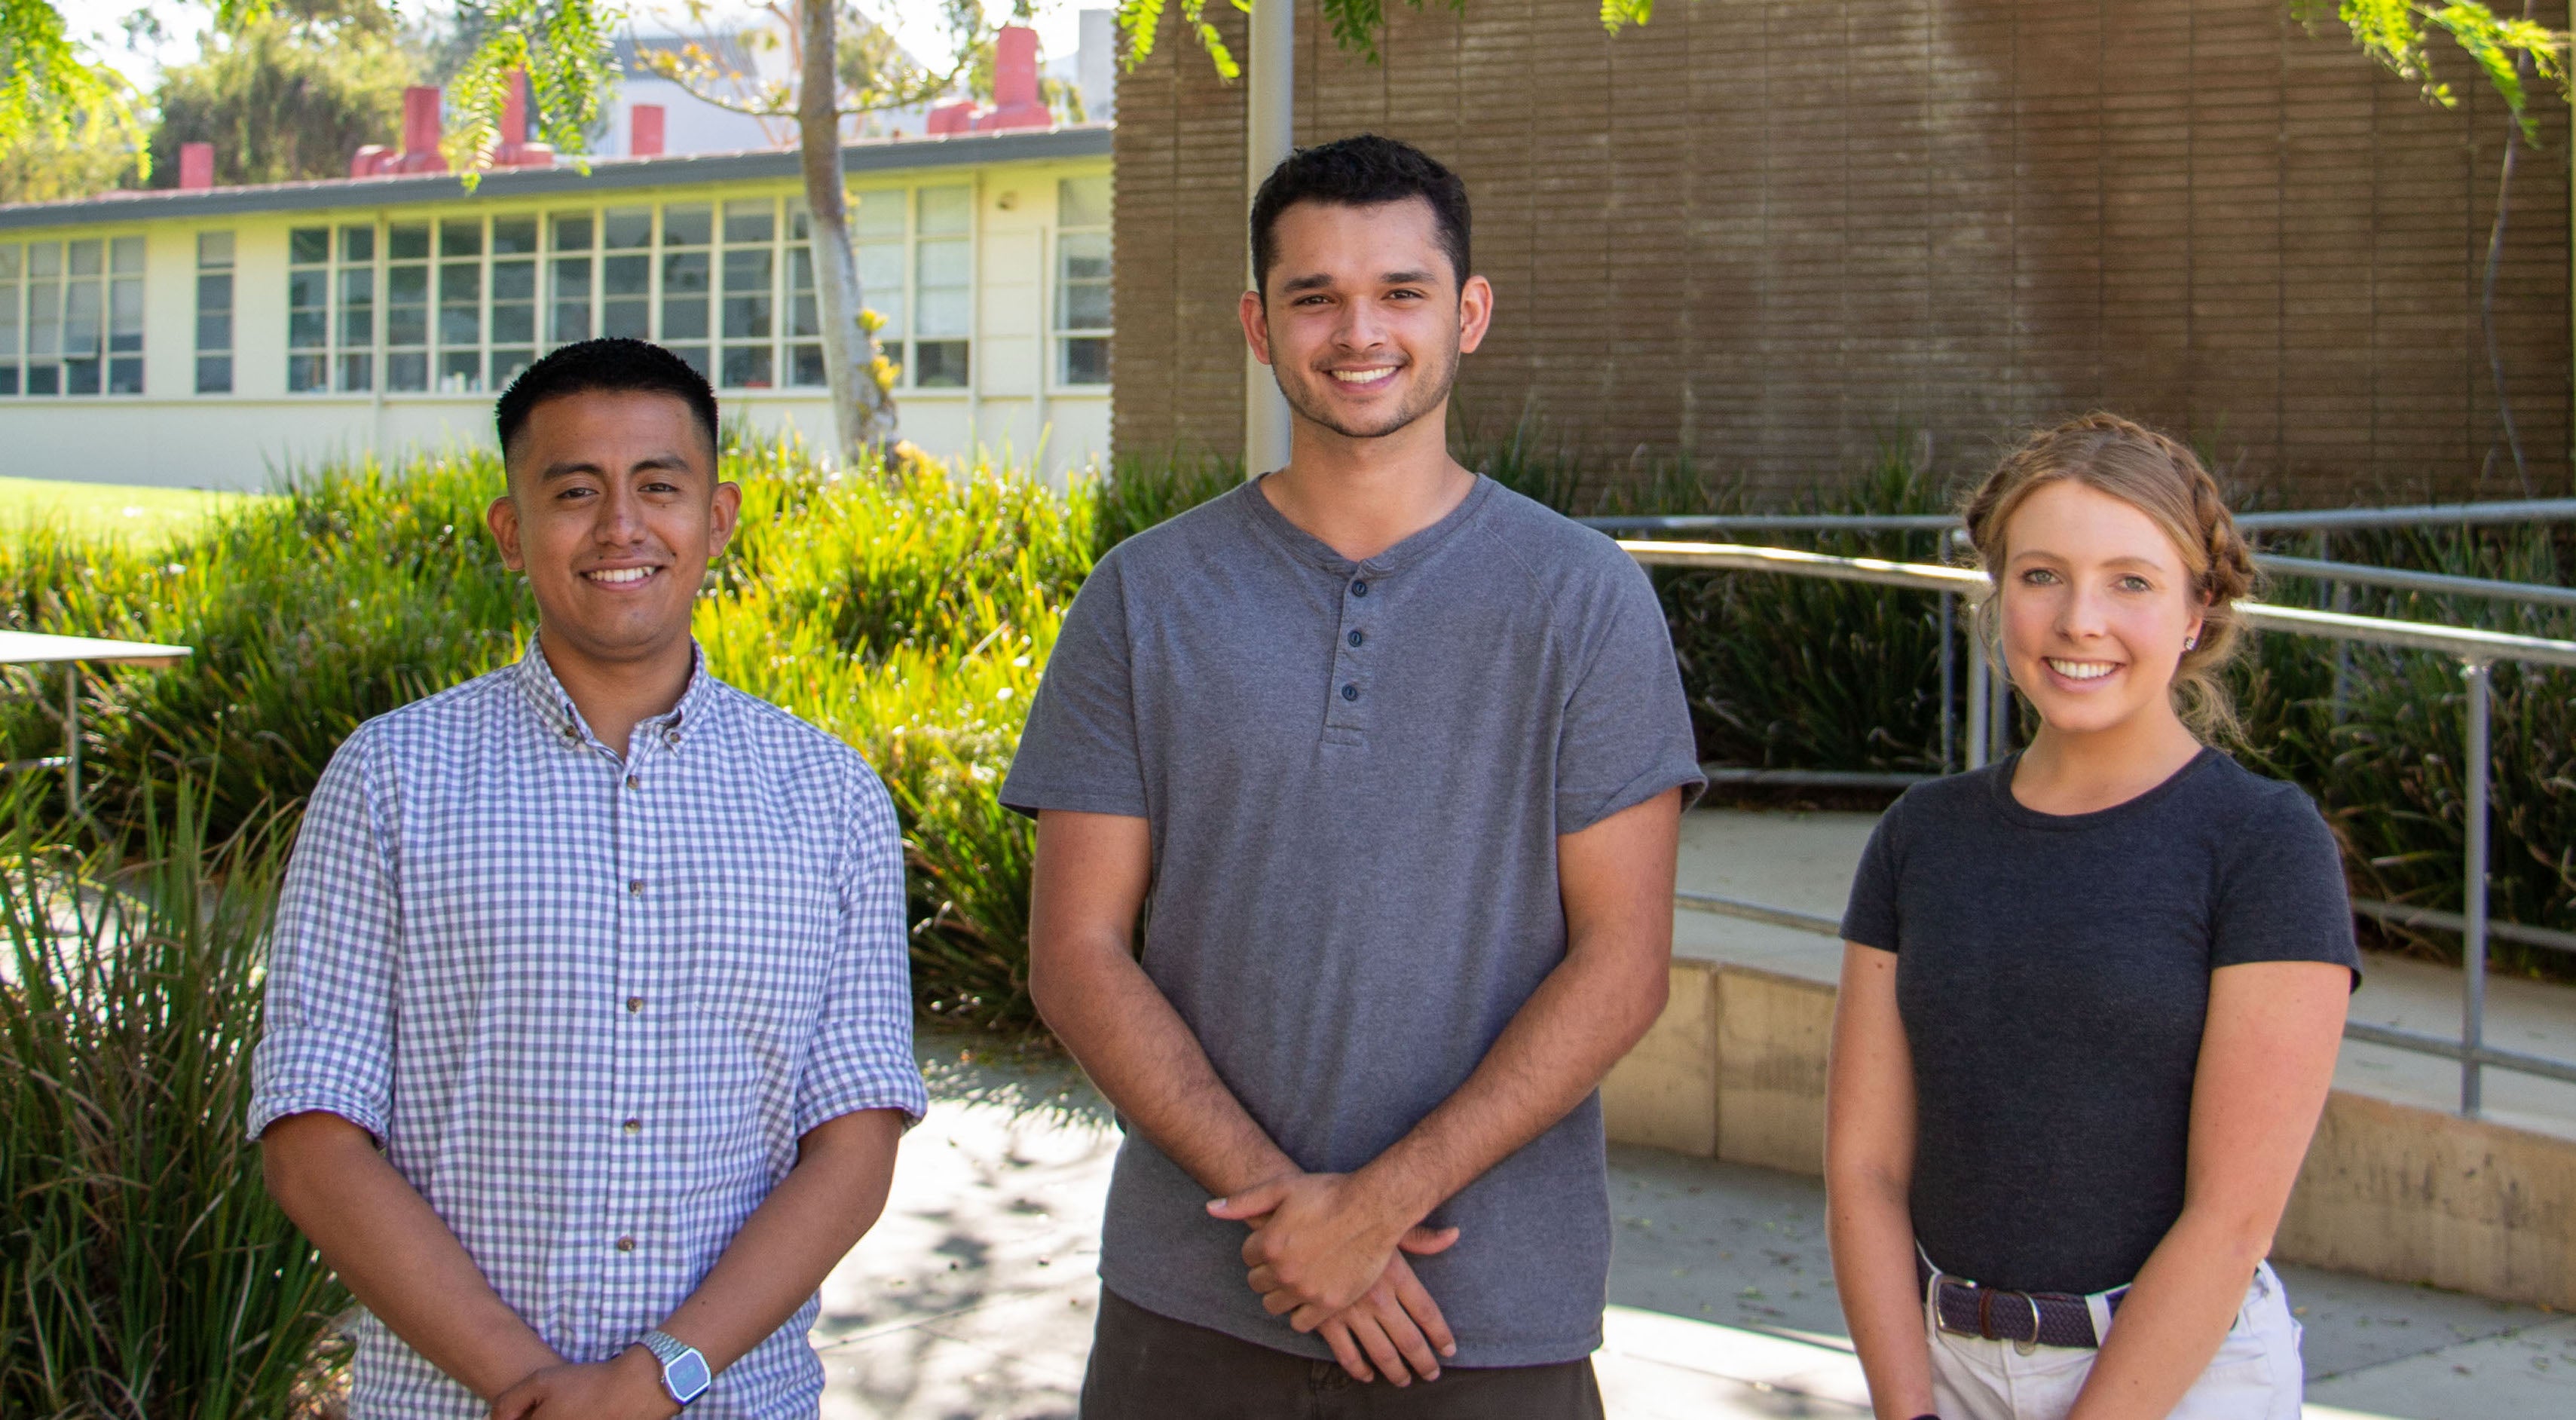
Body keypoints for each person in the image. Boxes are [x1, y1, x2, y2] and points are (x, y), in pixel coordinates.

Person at [1002, 133, 1704, 1417]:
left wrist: (1376, 1210)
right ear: (1258, 326)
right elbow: (1079, 954)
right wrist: (1295, 1224)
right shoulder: (1143, 597)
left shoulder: (1582, 598)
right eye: (1312, 295)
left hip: (1487, 1314)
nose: (1356, 329)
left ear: (1468, 314)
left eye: (1400, 291)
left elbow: (1622, 965)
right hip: (1196, 1302)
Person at [249, 338, 928, 1418]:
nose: (621, 526)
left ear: (718, 519)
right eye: (575, 492)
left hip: (738, 1402)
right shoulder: (388, 779)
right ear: (511, 533)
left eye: (659, 486)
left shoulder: (827, 796)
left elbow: (853, 1142)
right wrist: (525, 1386)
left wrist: (658, 1378)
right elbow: (311, 1134)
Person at [1824, 412, 2360, 1420]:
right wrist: (1907, 1409)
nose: (2079, 620)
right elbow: (1863, 1169)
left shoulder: (2261, 845)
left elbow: (2231, 1215)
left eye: (2130, 581)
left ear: (2195, 611)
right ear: (1998, 596)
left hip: (2180, 1378)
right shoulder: (1919, 837)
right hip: (1937, 1368)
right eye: (2040, 576)